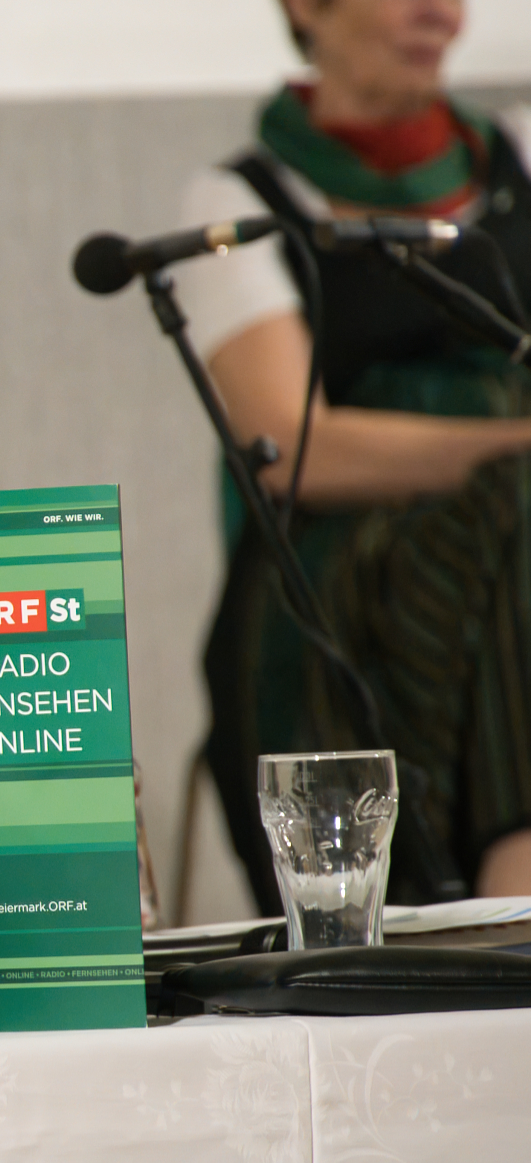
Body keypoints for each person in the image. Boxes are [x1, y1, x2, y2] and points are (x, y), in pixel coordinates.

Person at [174, 0, 531, 908]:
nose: (440, 13)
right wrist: (515, 451)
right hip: (336, 583)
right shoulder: (239, 200)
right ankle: (514, 893)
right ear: (307, 7)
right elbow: (295, 448)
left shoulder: (520, 157)